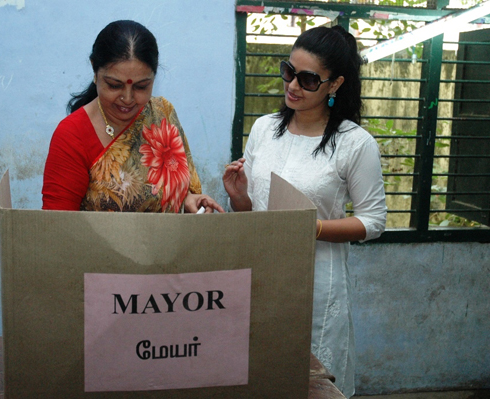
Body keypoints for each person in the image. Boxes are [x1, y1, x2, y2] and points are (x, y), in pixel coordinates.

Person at [223, 25, 386, 397]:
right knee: (258, 377)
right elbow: (255, 213)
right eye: (288, 72)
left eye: (309, 79)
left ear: (335, 84)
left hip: (317, 284)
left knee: (310, 385)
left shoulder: (354, 144)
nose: (293, 85)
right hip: (259, 274)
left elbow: (373, 221)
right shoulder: (265, 129)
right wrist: (239, 198)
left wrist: (311, 228)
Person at [42, 20, 223, 214]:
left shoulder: (162, 113)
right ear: (95, 70)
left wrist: (189, 200)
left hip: (172, 244)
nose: (127, 99)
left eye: (141, 87)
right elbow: (58, 227)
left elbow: (177, 190)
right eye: (114, 85)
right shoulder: (72, 135)